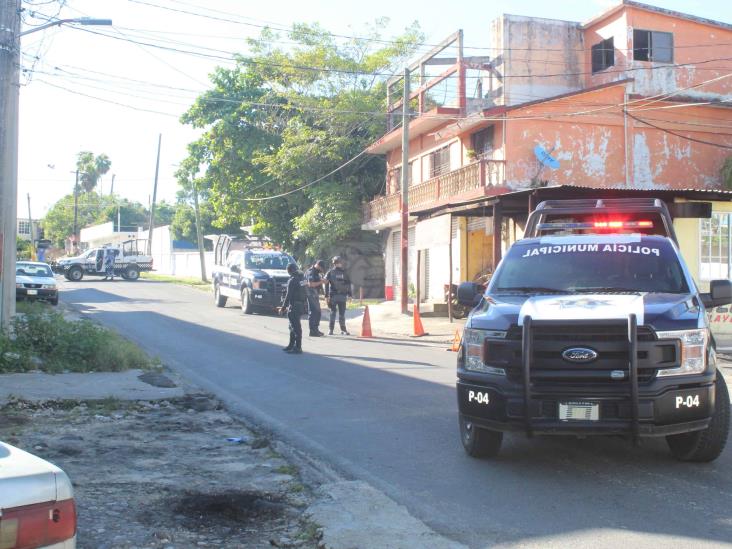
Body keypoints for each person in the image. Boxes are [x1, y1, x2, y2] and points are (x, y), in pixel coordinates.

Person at [281, 263, 306, 354]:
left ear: (289, 270)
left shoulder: (292, 280)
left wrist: (283, 307)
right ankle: (291, 345)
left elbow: (288, 295)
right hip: (301, 305)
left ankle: (298, 347)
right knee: (292, 326)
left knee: (295, 327)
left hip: (294, 305)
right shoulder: (303, 279)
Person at [324, 256, 352, 335]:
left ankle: (331, 330)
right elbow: (348, 284)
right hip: (340, 296)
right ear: (340, 263)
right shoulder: (344, 272)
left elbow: (325, 284)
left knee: (333, 312)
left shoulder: (330, 272)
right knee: (341, 314)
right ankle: (342, 330)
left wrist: (326, 295)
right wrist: (350, 295)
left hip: (334, 296)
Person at [305, 260, 327, 337]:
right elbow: (310, 284)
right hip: (310, 294)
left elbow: (317, 282)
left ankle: (316, 330)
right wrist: (321, 282)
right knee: (313, 312)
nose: (321, 270)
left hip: (315, 294)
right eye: (321, 268)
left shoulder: (316, 272)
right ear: (318, 266)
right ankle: (312, 331)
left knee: (317, 312)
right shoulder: (311, 272)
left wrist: (322, 281)